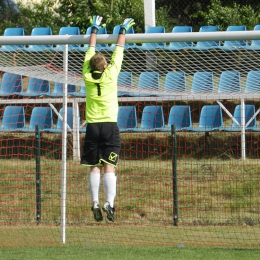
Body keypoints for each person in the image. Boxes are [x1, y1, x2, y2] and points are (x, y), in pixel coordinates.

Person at [81, 15, 135, 222]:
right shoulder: (111, 73)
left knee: (94, 166)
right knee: (109, 166)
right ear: (105, 66)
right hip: (110, 126)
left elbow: (90, 50)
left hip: (92, 126)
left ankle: (95, 201)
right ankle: (109, 203)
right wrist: (122, 30)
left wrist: (94, 29)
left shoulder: (86, 75)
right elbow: (119, 49)